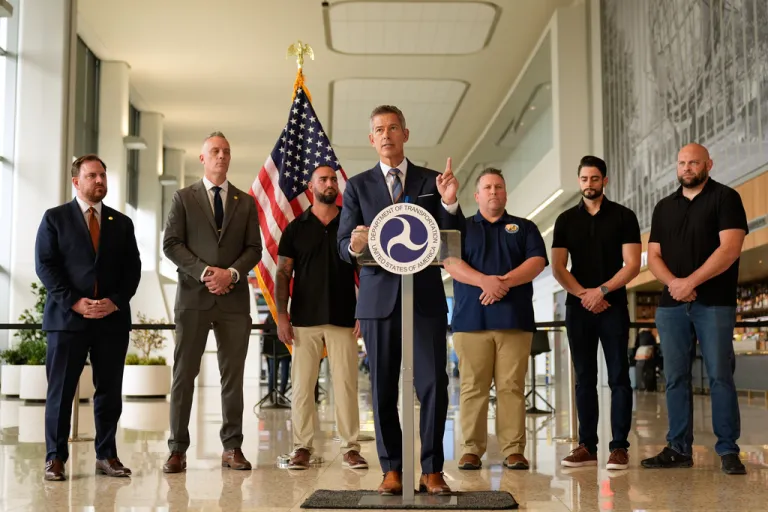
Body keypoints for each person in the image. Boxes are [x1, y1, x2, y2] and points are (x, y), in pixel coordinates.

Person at [337, 105, 463, 496]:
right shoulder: (357, 186)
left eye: (393, 128)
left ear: (405, 134)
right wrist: (354, 244)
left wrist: (450, 203)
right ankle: (392, 469)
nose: (386, 134)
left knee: (434, 383)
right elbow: (343, 245)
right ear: (371, 139)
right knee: (382, 388)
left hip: (424, 299)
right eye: (379, 129)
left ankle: (432, 470)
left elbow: (453, 237)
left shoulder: (431, 181)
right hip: (378, 301)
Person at [642, 143, 748, 475]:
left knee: (720, 376)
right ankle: (678, 448)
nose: (687, 168)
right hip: (671, 306)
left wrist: (690, 282)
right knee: (675, 378)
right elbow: (653, 256)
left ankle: (728, 449)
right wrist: (675, 283)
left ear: (708, 165)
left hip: (714, 302)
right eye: (682, 163)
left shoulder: (726, 198)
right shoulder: (664, 207)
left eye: (694, 162)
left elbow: (729, 249)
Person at [35, 154, 141, 481]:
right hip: (67, 321)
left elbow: (132, 270)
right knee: (61, 392)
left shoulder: (121, 223)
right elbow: (46, 266)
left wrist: (115, 302)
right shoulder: (55, 218)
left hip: (111, 321)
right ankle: (55, 458)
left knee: (109, 392)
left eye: (103, 175)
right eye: (92, 175)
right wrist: (74, 303)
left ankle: (106, 455)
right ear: (76, 181)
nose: (99, 181)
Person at [162, 132, 262, 473]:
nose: (222, 156)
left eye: (226, 151)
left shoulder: (245, 202)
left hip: (233, 302)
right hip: (193, 298)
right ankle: (177, 449)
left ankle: (232, 447)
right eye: (215, 151)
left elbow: (254, 249)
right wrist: (205, 272)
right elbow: (171, 244)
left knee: (232, 377)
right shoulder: (183, 198)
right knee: (184, 375)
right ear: (203, 158)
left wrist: (230, 274)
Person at [443, 168, 547, 471]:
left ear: (505, 194)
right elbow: (450, 262)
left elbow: (537, 262)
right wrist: (484, 282)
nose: (493, 191)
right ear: (477, 196)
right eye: (487, 187)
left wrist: (502, 283)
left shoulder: (525, 227)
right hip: (470, 322)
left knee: (511, 387)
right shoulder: (461, 228)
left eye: (498, 187)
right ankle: (471, 450)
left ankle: (513, 450)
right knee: (472, 387)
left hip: (514, 320)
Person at [551, 155, 641, 470]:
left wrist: (601, 291)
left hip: (613, 306)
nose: (589, 184)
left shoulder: (624, 216)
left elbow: (632, 264)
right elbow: (558, 267)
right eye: (584, 179)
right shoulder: (565, 220)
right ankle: (587, 446)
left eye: (594, 178)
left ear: (605, 180)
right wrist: (584, 295)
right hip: (578, 308)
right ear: (579, 181)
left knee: (619, 377)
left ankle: (619, 448)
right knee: (584, 379)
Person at [275, 165, 367, 471]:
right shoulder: (295, 228)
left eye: (333, 179)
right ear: (311, 187)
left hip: (344, 317)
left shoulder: (351, 225)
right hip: (303, 320)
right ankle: (302, 447)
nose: (329, 183)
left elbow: (364, 270)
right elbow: (283, 273)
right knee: (302, 387)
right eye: (323, 179)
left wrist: (364, 310)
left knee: (346, 385)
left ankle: (350, 448)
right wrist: (282, 316)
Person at [262, 313, 290, 403]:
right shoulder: (287, 316)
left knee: (272, 373)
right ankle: (282, 395)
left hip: (272, 350)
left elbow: (265, 331)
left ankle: (271, 395)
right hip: (285, 348)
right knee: (284, 372)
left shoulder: (270, 316)